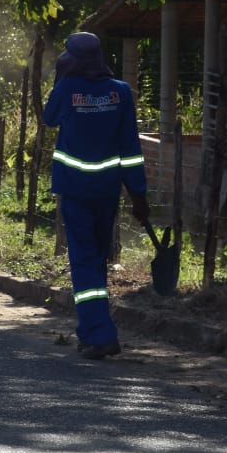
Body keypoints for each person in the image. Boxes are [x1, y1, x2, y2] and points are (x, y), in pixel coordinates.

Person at [42, 32, 149, 360]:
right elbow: (130, 148)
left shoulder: (66, 89)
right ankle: (90, 332)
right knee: (97, 261)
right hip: (107, 191)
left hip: (75, 190)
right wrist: (138, 195)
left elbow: (48, 119)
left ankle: (101, 334)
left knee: (85, 264)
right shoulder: (120, 92)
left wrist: (62, 78)